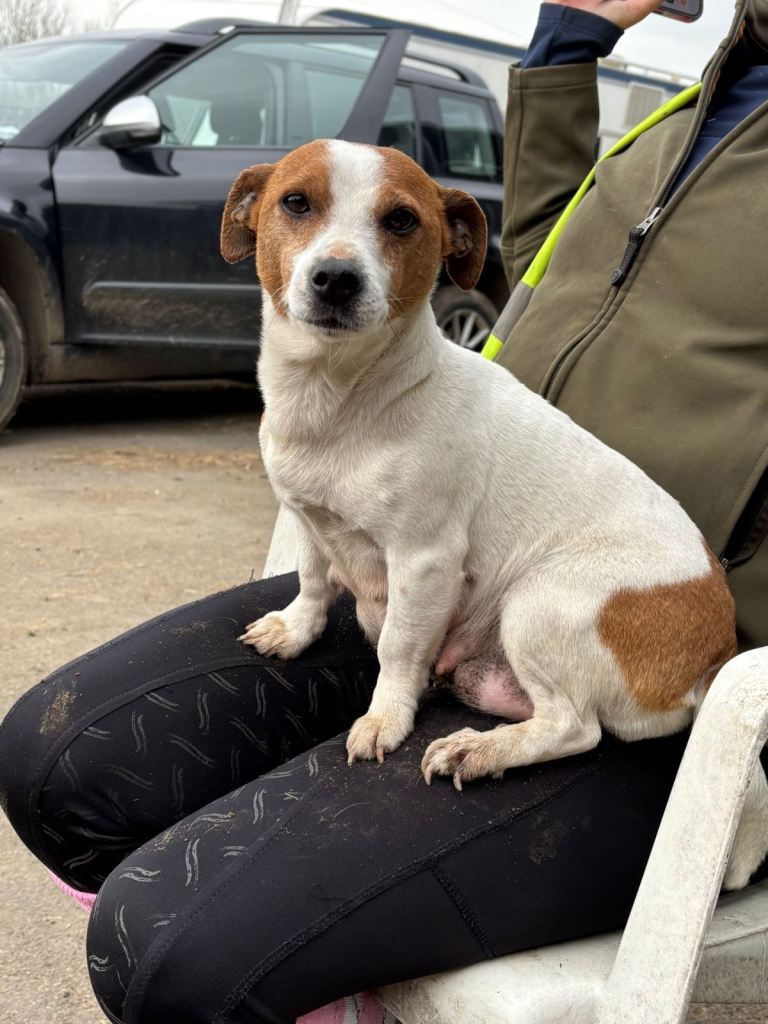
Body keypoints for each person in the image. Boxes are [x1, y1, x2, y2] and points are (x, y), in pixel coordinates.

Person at [0, 1, 765, 1022]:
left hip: (634, 636)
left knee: (178, 949)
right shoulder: (678, 117)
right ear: (250, 219)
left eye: (386, 224)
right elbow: (534, 255)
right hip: (449, 563)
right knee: (54, 763)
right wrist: (572, 36)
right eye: (302, 210)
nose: (336, 253)